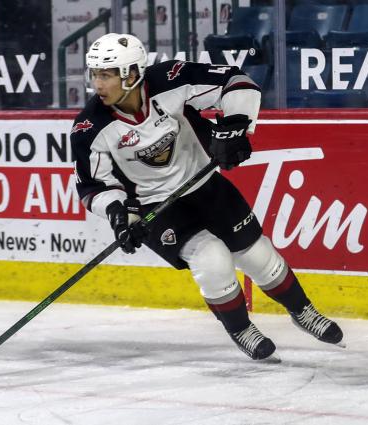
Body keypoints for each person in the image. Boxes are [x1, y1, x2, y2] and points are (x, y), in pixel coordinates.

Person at [70, 33, 344, 362]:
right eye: (94, 74)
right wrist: (120, 217)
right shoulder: (89, 128)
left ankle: (304, 312)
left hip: (205, 185)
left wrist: (235, 127)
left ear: (130, 73)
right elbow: (94, 185)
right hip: (157, 208)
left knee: (257, 255)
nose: (97, 83)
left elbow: (236, 81)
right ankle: (241, 328)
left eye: (105, 74)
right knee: (211, 259)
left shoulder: (171, 79)